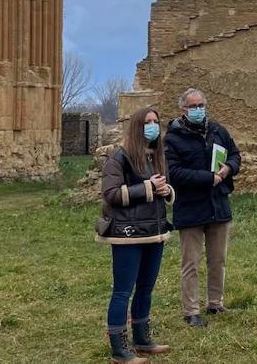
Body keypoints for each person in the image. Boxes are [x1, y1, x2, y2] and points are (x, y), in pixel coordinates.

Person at [96, 106, 176, 364]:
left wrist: (165, 191)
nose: (152, 126)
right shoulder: (119, 157)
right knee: (123, 291)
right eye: (147, 122)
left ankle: (142, 339)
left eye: (156, 121)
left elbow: (160, 187)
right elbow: (111, 194)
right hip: (127, 234)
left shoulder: (156, 155)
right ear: (137, 126)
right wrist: (148, 187)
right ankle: (119, 348)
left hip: (154, 233)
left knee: (146, 288)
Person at [163, 88, 242, 327]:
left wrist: (228, 167)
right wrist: (208, 178)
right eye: (192, 106)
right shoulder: (172, 138)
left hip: (218, 204)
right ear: (182, 110)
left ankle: (215, 303)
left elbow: (235, 155)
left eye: (201, 105)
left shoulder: (218, 131)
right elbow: (174, 173)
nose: (197, 110)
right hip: (190, 207)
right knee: (191, 262)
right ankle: (191, 310)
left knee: (218, 259)